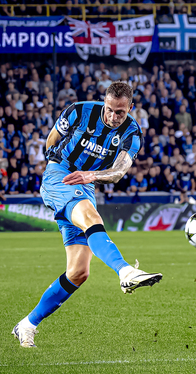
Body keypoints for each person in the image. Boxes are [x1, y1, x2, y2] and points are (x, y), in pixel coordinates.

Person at [12, 82, 162, 348]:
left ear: (130, 108)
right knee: (93, 218)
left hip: (86, 184)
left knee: (79, 272)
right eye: (110, 110)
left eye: (120, 113)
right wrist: (52, 165)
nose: (114, 117)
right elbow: (52, 138)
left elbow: (118, 172)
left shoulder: (132, 133)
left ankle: (27, 324)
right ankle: (125, 271)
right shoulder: (79, 111)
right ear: (104, 102)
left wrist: (91, 176)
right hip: (61, 175)